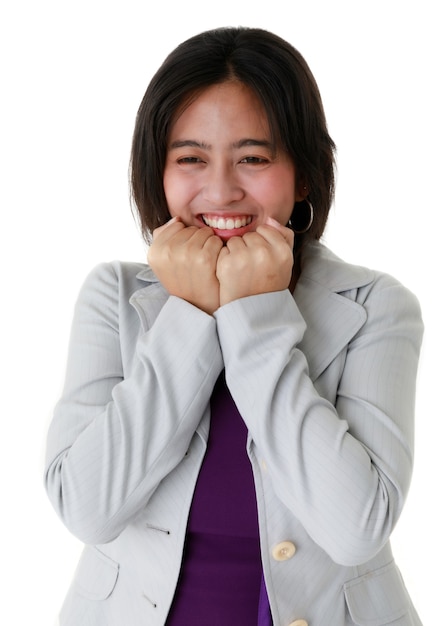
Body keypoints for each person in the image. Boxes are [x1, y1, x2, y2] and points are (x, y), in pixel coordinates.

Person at [44, 27, 424, 626]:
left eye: (253, 158)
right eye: (191, 158)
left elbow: (358, 529)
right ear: (158, 173)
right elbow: (87, 508)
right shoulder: (111, 297)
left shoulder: (376, 307)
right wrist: (190, 315)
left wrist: (254, 315)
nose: (220, 189)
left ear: (302, 175)